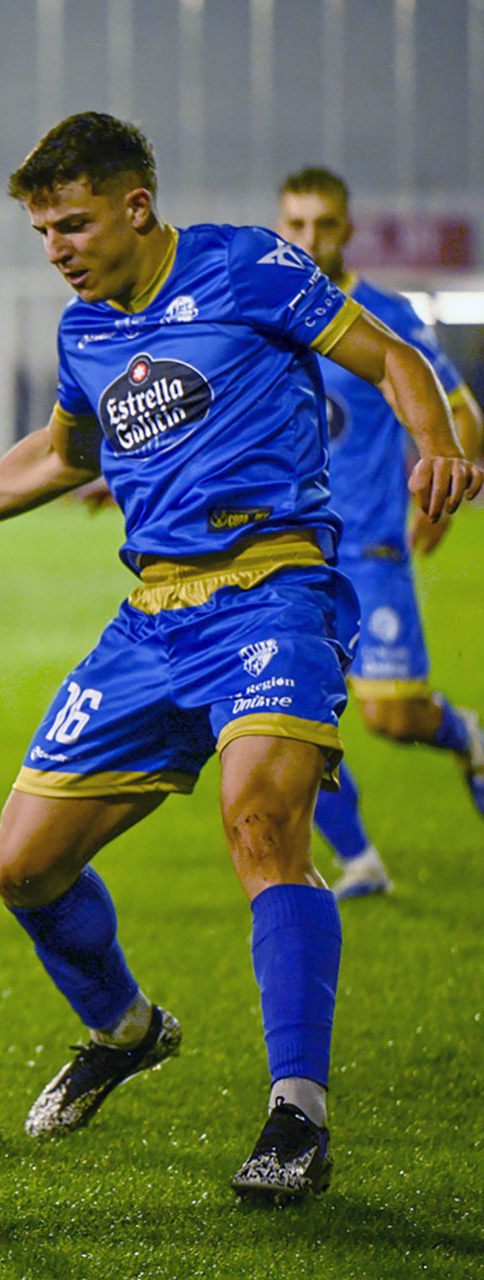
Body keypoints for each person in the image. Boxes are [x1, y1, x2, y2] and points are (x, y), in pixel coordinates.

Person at [0, 112, 482, 1204]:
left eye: (74, 223)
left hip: (277, 588)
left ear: (136, 206)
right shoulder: (85, 332)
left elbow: (388, 356)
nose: (58, 248)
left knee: (260, 819)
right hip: (153, 619)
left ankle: (297, 1114)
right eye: (44, 231)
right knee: (21, 864)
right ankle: (126, 1027)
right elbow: (62, 450)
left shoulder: (246, 265)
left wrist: (436, 440)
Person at [274, 166, 484, 898]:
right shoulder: (266, 318)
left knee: (391, 715)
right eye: (296, 225)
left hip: (370, 547)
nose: (310, 238)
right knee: (281, 715)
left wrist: (441, 482)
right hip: (284, 559)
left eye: (323, 223)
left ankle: (469, 737)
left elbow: (464, 416)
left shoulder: (386, 316)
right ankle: (359, 859)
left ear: (347, 229)